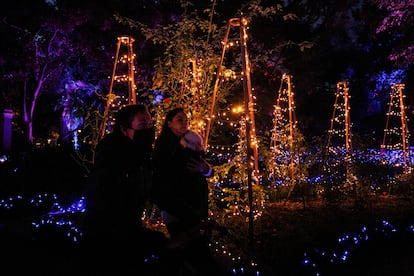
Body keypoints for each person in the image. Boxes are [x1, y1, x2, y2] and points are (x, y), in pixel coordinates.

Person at [81, 104, 166, 273]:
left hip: (128, 231)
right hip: (106, 239)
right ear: (124, 129)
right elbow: (109, 206)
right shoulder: (112, 157)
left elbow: (151, 187)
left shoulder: (141, 155)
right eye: (142, 125)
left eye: (150, 124)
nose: (148, 129)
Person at [151, 107, 221, 275]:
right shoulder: (165, 146)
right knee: (193, 251)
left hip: (195, 205)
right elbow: (171, 173)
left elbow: (205, 169)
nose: (185, 123)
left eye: (186, 119)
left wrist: (206, 169)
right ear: (169, 123)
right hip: (178, 207)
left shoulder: (190, 141)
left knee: (190, 251)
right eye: (179, 119)